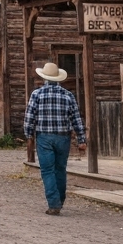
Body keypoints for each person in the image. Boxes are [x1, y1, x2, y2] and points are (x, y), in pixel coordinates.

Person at [24, 62, 87, 216]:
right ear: (58, 78)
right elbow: (76, 118)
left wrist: (29, 135)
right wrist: (81, 139)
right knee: (60, 169)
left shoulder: (36, 94)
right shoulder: (68, 95)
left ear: (44, 77)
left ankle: (54, 203)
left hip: (44, 136)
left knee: (47, 170)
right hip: (63, 137)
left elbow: (29, 117)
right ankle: (60, 199)